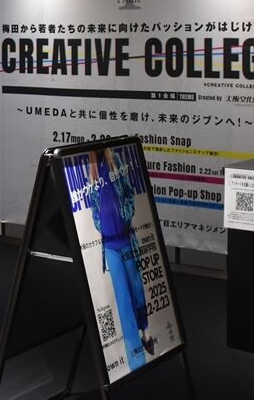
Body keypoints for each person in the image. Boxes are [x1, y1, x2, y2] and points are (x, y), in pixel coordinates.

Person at [88, 147, 154, 371]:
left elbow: (128, 192)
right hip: (110, 246)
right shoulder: (91, 168)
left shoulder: (113, 159)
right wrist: (100, 224)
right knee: (124, 301)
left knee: (136, 289)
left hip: (126, 241)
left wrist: (124, 216)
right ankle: (136, 360)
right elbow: (93, 205)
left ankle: (145, 332)